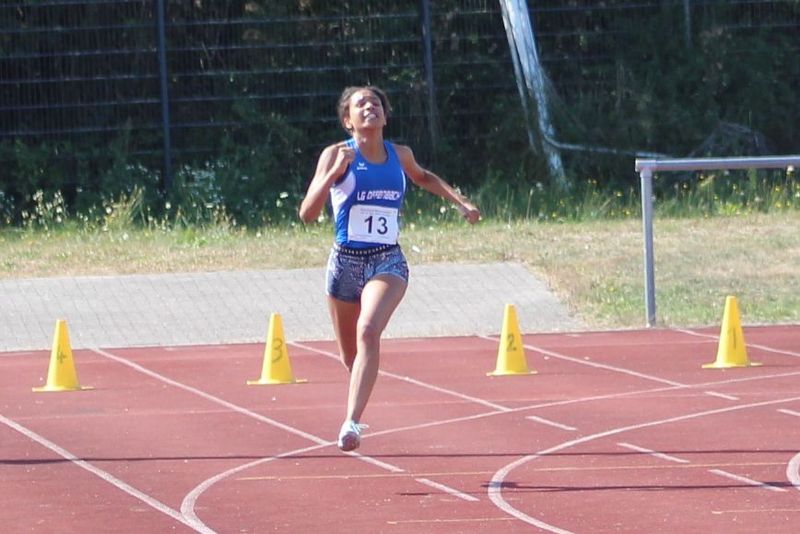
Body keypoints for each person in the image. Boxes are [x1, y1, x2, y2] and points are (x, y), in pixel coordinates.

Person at [298, 86, 480, 452]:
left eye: (376, 102)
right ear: (348, 120)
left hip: (387, 259)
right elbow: (307, 214)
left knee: (368, 331)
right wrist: (333, 172)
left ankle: (351, 423)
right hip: (345, 263)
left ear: (385, 115)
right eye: (361, 104)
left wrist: (460, 202)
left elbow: (423, 176)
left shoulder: (400, 155)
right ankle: (360, 393)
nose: (370, 107)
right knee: (350, 357)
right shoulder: (335, 154)